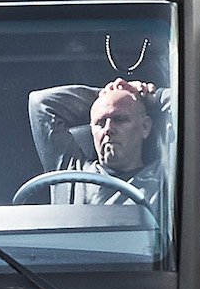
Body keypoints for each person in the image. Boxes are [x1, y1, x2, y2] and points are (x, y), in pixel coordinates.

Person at [26, 79, 169, 214]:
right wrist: (106, 95)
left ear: (145, 127)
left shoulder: (165, 176)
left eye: (119, 119)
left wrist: (151, 97)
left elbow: (189, 106)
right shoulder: (71, 174)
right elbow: (40, 104)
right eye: (100, 123)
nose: (108, 129)